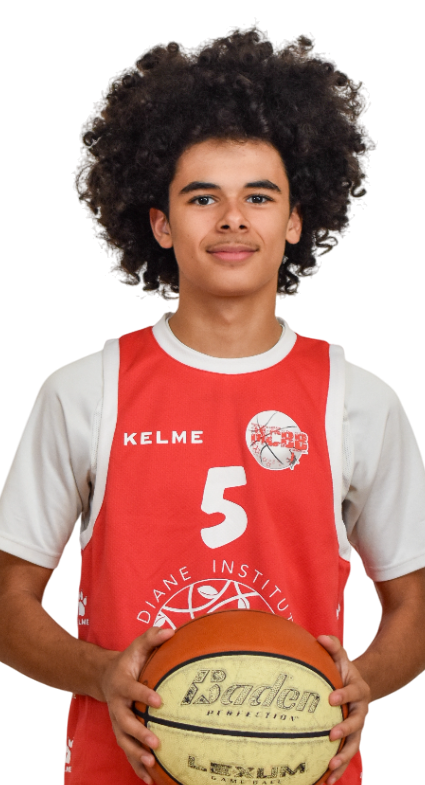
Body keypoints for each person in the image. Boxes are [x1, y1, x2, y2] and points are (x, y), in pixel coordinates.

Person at [1, 24, 425, 785]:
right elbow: (8, 606)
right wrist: (100, 672)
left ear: (294, 221)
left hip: (303, 765)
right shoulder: (83, 390)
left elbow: (413, 608)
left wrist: (364, 682)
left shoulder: (360, 399)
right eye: (203, 197)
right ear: (160, 224)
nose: (232, 218)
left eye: (258, 196)